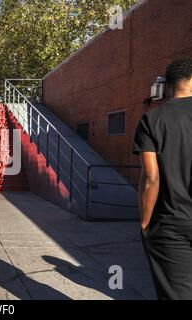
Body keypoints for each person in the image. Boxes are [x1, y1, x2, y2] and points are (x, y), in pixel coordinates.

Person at [133, 56, 192, 300]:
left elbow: (151, 179)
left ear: (167, 85)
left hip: (171, 225)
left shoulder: (152, 119)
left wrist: (145, 222)